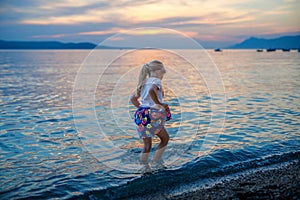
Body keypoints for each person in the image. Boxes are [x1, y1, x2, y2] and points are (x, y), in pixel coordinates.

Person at [130, 60, 171, 165]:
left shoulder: (143, 82)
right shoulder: (156, 81)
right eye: (163, 73)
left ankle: (144, 168)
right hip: (153, 113)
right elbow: (151, 91)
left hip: (141, 114)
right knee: (165, 139)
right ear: (158, 72)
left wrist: (143, 108)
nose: (162, 76)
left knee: (147, 146)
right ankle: (157, 162)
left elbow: (133, 99)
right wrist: (159, 104)